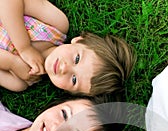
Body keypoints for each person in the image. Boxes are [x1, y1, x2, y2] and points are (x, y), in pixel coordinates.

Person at [0, 0, 135, 94]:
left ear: (68, 91)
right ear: (78, 41)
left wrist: (11, 63)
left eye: (74, 79)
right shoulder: (56, 25)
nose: (65, 68)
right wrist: (24, 47)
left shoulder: (20, 81)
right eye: (77, 58)